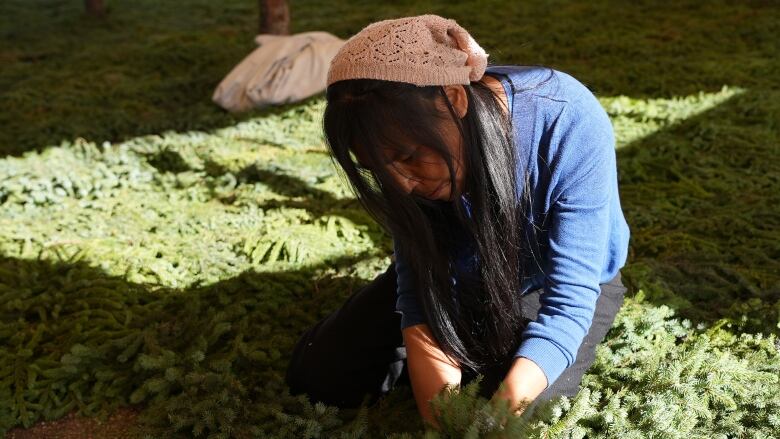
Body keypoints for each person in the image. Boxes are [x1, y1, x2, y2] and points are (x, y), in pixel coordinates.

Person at [285, 14, 630, 428]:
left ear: (456, 99)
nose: (402, 184)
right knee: (321, 375)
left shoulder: (565, 117)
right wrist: (442, 419)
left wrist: (496, 416)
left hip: (551, 282)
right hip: (458, 277)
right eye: (379, 169)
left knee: (514, 402)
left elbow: (568, 305)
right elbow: (420, 296)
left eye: (409, 156)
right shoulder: (412, 169)